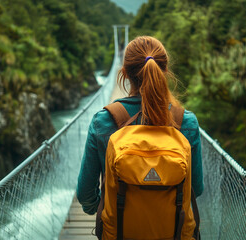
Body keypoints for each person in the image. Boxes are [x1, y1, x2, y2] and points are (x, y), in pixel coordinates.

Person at [76, 36, 203, 236]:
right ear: (165, 71)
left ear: (124, 73)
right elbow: (196, 188)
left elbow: (85, 193)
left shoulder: (103, 121)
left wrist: (99, 207)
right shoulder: (186, 122)